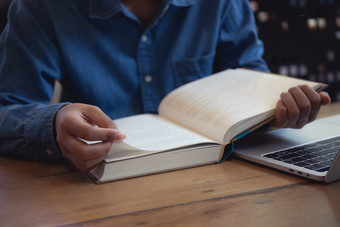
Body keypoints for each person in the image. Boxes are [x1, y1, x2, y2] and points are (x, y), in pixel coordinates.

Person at [0, 0, 330, 172]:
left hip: (219, 180)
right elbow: (7, 109)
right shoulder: (39, 8)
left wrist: (277, 109)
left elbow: (250, 76)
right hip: (101, 187)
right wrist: (54, 124)